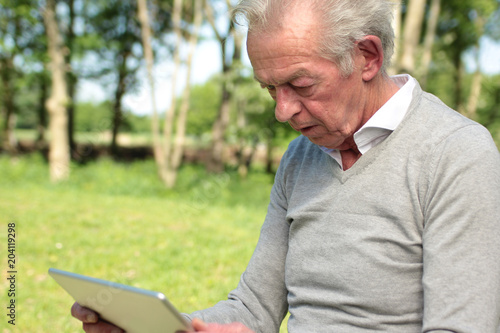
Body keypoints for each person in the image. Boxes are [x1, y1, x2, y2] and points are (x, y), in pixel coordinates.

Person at [71, 0, 500, 332]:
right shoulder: (302, 156)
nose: (282, 111)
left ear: (367, 57)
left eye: (300, 84)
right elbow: (254, 307)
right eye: (269, 88)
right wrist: (166, 326)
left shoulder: (456, 153)